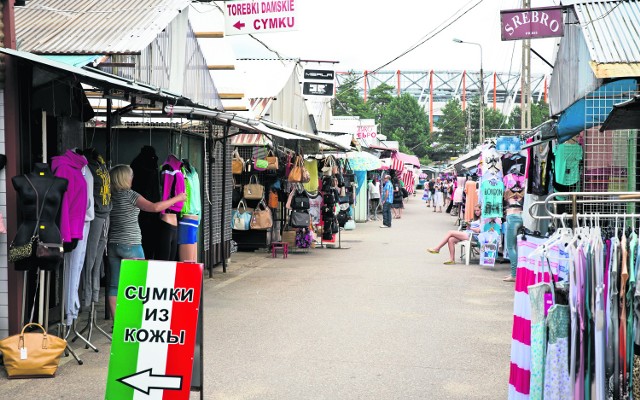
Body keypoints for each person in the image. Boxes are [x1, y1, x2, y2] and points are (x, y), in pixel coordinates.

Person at [107, 164, 186, 319]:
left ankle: (117, 323)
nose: (132, 179)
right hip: (131, 245)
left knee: (114, 286)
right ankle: (133, 320)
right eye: (130, 176)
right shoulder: (130, 195)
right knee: (139, 285)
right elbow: (155, 207)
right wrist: (177, 198)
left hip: (113, 245)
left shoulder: (110, 196)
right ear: (125, 178)